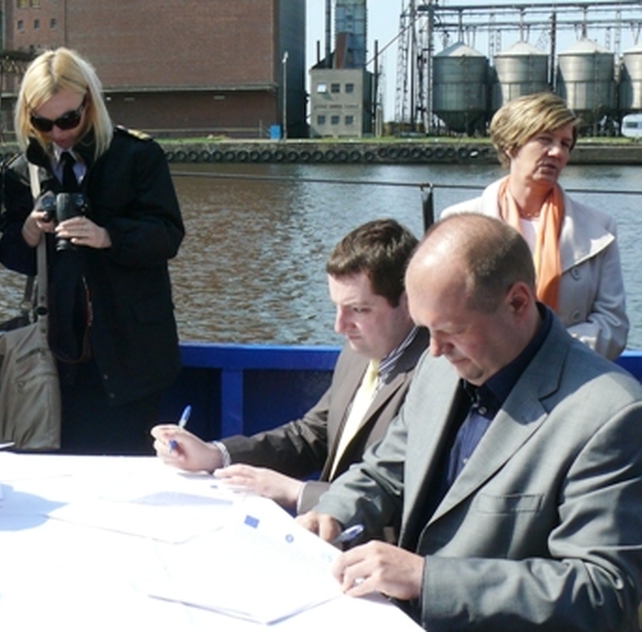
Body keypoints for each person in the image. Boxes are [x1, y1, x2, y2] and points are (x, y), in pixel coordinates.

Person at [297, 213, 642, 631]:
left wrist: (427, 580)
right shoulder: (438, 368)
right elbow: (387, 469)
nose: (435, 350)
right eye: (426, 329)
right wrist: (333, 513)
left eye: (451, 330)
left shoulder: (611, 413)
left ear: (518, 303)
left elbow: (604, 591)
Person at [152, 219, 427, 513]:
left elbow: (407, 496)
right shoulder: (358, 353)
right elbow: (312, 436)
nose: (339, 326)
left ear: (408, 303)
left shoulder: (432, 379)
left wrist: (297, 492)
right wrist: (215, 455)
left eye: (358, 310)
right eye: (336, 307)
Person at [0, 47, 184, 454]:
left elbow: (167, 235)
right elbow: (11, 255)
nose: (58, 133)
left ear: (90, 104)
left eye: (68, 119)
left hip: (131, 350)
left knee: (129, 468)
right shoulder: (23, 171)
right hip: (61, 354)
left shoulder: (137, 156)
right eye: (43, 123)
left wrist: (107, 236)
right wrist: (28, 232)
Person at [441, 91, 627, 359]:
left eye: (565, 144)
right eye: (545, 139)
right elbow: (443, 313)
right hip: (486, 369)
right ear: (511, 145)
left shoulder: (600, 229)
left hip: (568, 370)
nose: (557, 152)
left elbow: (613, 325)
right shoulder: (459, 222)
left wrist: (544, 352)